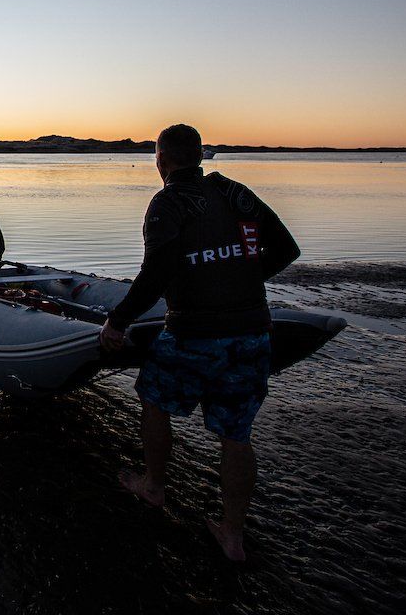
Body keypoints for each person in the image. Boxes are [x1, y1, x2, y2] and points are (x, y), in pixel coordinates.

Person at [99, 124, 300, 561]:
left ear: (162, 160)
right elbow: (286, 249)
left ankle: (153, 487)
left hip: (193, 333)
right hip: (251, 334)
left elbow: (155, 274)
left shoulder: (167, 203)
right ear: (202, 155)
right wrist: (241, 281)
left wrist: (117, 321)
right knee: (236, 434)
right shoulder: (236, 192)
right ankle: (232, 535)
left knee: (153, 398)